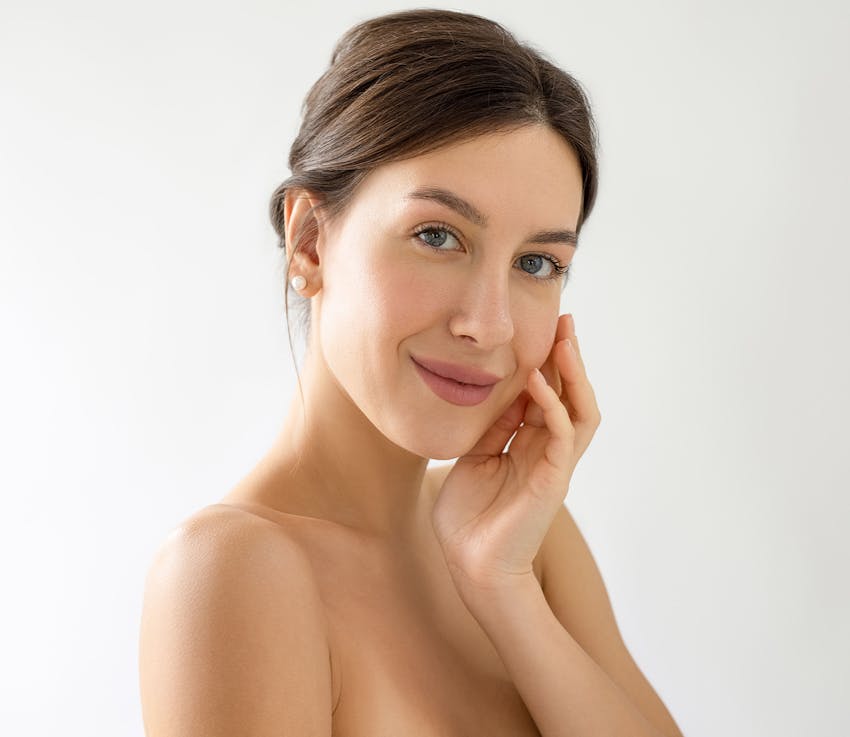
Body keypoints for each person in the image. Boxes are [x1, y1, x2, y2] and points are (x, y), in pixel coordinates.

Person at [139, 8, 684, 737]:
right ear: (309, 242)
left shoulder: (529, 540)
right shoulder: (234, 570)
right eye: (438, 235)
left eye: (537, 263)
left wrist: (503, 589)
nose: (487, 324)